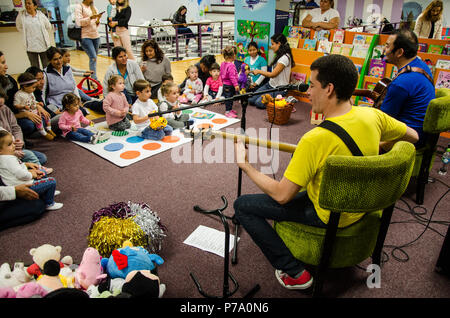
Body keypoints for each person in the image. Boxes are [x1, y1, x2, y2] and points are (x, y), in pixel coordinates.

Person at [233, 54, 419, 290]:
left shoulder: (315, 139)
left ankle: (294, 271)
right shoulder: (373, 115)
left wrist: (245, 165)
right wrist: (379, 151)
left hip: (328, 214)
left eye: (312, 85)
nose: (308, 92)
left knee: (243, 206)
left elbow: (282, 195)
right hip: (363, 206)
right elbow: (412, 136)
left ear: (329, 88)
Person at [380, 29, 435, 149]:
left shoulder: (401, 83)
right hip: (421, 135)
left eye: (387, 46)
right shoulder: (422, 66)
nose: (384, 49)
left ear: (399, 52)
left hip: (404, 142)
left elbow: (382, 121)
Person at [0, 130, 63, 211]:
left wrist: (27, 166)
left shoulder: (6, 157)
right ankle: (49, 203)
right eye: (9, 144)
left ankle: (48, 192)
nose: (13, 146)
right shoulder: (8, 160)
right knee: (52, 181)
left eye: (12, 143)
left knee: (42, 172)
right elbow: (21, 175)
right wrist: (32, 175)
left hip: (21, 181)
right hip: (24, 185)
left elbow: (17, 167)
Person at [0, 89, 52, 173]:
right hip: (4, 153)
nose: (2, 108)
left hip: (11, 147)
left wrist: (19, 141)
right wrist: (10, 152)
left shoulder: (5, 109)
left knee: (41, 158)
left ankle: (18, 167)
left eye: (2, 105)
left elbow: (15, 128)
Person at [249, 33, 294, 110]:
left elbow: (273, 74)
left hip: (279, 88)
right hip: (270, 85)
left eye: (273, 44)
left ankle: (282, 99)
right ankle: (274, 98)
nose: (271, 46)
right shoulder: (279, 54)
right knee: (251, 100)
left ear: (279, 44)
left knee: (259, 103)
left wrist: (259, 71)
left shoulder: (285, 58)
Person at [14, 72, 54, 141]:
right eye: (33, 87)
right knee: (39, 121)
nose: (34, 89)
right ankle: (43, 133)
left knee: (47, 116)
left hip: (34, 110)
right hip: (26, 113)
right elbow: (16, 105)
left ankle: (49, 129)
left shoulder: (30, 92)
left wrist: (38, 103)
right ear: (25, 86)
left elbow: (33, 101)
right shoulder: (19, 95)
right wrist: (23, 107)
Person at [15, 0, 55, 69]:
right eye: (26, 4)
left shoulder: (41, 15)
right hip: (30, 47)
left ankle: (48, 79)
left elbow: (48, 26)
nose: (27, 5)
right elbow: (19, 27)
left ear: (35, 6)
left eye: (29, 3)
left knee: (47, 67)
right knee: (35, 68)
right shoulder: (21, 15)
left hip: (43, 45)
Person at [74, 0, 104, 79]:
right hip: (85, 36)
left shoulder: (93, 7)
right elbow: (78, 22)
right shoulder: (79, 6)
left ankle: (93, 77)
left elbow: (96, 24)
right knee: (93, 57)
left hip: (95, 36)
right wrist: (90, 18)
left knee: (94, 58)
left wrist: (98, 19)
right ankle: (94, 79)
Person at [220, 46, 239, 118]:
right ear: (233, 55)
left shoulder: (222, 64)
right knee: (229, 98)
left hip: (225, 84)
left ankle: (230, 109)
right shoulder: (231, 65)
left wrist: (222, 82)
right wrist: (236, 85)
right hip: (230, 85)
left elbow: (221, 74)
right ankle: (227, 111)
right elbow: (232, 76)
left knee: (229, 97)